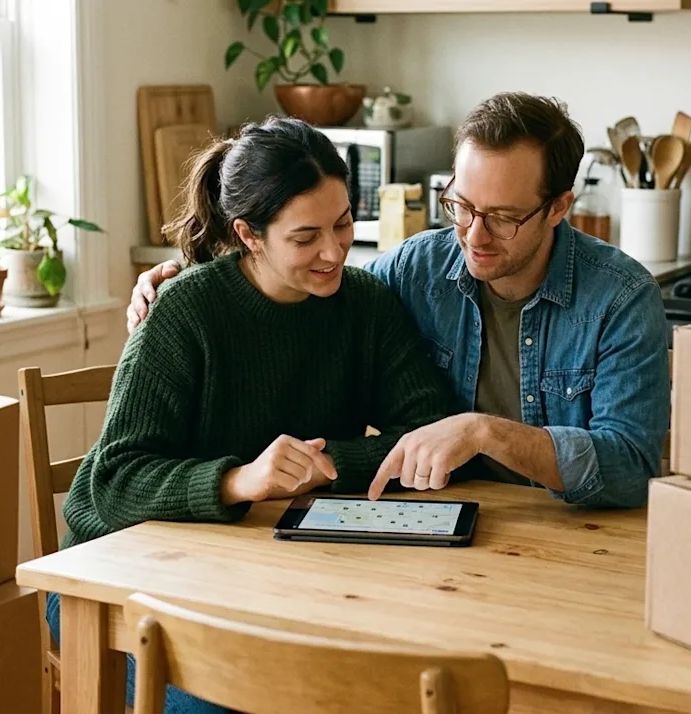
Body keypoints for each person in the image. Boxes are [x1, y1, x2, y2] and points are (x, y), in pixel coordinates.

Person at [49, 116, 480, 713]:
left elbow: (433, 435)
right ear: (249, 235)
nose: (333, 251)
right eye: (306, 238)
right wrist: (237, 480)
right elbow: (114, 481)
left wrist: (322, 465)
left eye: (344, 222)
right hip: (115, 578)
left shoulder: (365, 305)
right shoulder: (183, 312)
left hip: (267, 569)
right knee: (236, 700)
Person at [129, 92, 671, 510]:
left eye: (504, 218)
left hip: (572, 529)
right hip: (456, 525)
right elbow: (307, 283)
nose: (474, 236)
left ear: (558, 208)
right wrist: (183, 285)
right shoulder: (415, 269)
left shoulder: (621, 297)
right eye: (460, 205)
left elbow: (628, 470)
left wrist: (484, 431)